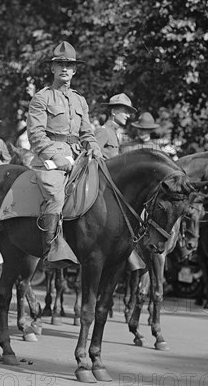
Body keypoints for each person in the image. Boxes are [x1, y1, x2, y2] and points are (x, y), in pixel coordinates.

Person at [27, 41, 102, 269]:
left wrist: (95, 148)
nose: (65, 69)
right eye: (60, 64)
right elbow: (36, 134)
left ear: (75, 70)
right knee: (57, 197)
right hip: (50, 159)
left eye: (69, 65)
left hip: (78, 156)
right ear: (52, 68)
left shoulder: (80, 100)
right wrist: (57, 157)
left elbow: (86, 132)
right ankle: (50, 253)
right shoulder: (42, 98)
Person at [94, 93, 137, 159]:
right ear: (113, 112)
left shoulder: (114, 132)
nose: (128, 116)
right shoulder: (103, 131)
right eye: (125, 112)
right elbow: (91, 157)